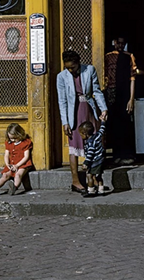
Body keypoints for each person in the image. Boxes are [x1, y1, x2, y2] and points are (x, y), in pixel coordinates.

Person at [56, 49, 108, 194]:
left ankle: (94, 179)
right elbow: (62, 101)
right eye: (67, 67)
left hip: (89, 110)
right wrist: (65, 122)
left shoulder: (89, 70)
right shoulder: (61, 77)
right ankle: (76, 181)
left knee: (93, 143)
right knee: (74, 146)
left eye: (72, 67)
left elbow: (96, 91)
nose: (70, 70)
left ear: (78, 63)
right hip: (73, 114)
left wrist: (103, 109)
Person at [103, 36, 138, 165]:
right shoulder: (107, 57)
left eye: (123, 44)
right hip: (110, 93)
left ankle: (126, 154)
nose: (120, 46)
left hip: (124, 93)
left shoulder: (129, 56)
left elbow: (132, 78)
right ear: (114, 43)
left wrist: (131, 99)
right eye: (118, 43)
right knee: (113, 123)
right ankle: (115, 155)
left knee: (125, 123)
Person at [0, 123, 33, 196]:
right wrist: (7, 164)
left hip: (22, 164)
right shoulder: (9, 143)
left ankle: (14, 187)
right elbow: (6, 155)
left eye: (15, 138)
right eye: (11, 138)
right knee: (5, 175)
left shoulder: (25, 143)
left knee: (18, 175)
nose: (13, 140)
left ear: (20, 135)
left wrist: (17, 165)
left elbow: (26, 157)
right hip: (12, 164)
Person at [79, 118, 108, 197]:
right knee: (99, 176)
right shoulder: (97, 136)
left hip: (94, 161)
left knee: (89, 175)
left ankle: (91, 190)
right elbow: (102, 130)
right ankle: (101, 190)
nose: (81, 136)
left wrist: (86, 163)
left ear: (85, 133)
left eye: (81, 134)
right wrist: (103, 122)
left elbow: (90, 154)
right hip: (101, 160)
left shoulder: (90, 142)